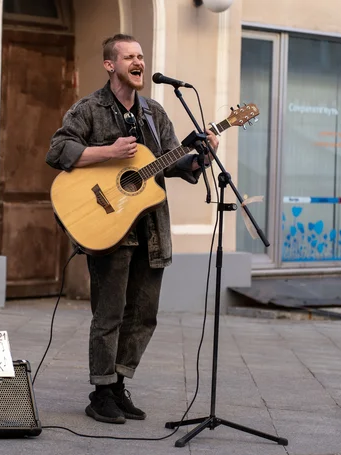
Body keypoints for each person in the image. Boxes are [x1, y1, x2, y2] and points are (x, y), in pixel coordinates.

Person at [46, 34, 219, 424]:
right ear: (111, 65)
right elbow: (58, 151)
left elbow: (171, 162)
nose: (138, 62)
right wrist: (109, 152)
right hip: (109, 228)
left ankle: (119, 385)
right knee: (109, 314)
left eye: (141, 56)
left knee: (144, 314)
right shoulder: (89, 108)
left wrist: (201, 158)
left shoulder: (155, 113)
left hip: (151, 229)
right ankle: (100, 392)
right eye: (130, 57)